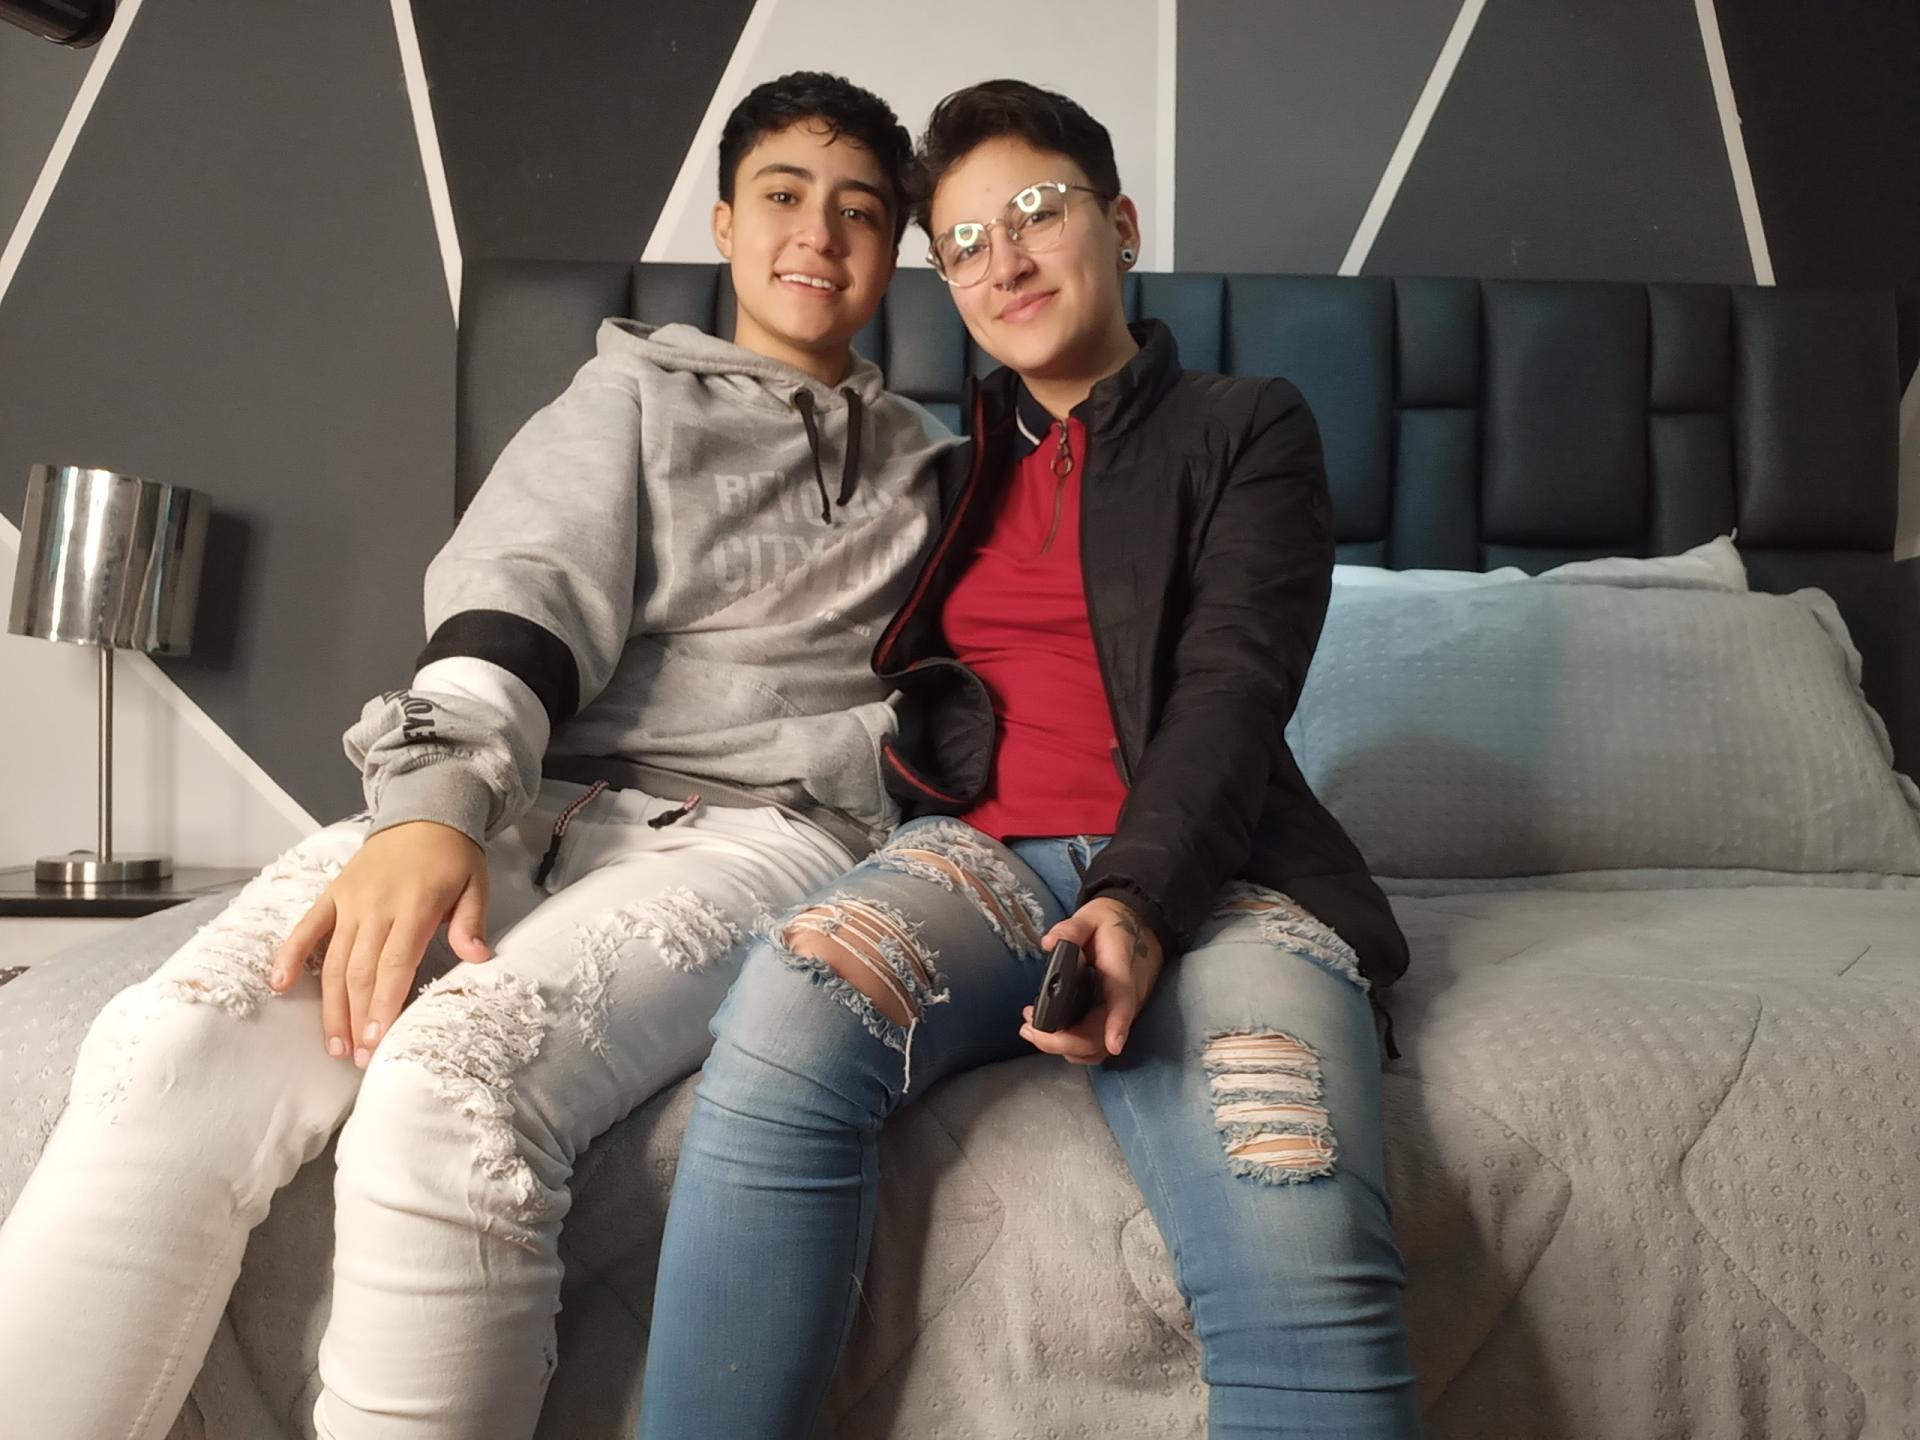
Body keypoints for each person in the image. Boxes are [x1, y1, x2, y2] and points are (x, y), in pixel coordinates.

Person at [0, 71, 957, 1440]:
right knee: (167, 1047)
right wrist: (432, 809)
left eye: (861, 211)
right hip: (522, 793)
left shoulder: (942, 472)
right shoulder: (625, 398)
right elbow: (523, 592)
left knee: (449, 1093)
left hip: (764, 832)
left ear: (897, 249)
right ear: (725, 222)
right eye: (785, 196)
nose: (819, 233)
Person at [636, 79, 1421, 1440]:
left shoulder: (1247, 426)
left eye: (1039, 213)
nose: (1003, 260)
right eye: (964, 242)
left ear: (1120, 224)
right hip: (980, 863)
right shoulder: (941, 479)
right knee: (786, 1012)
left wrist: (1136, 900)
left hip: (1222, 874)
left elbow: (1233, 689)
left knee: (1283, 1174)